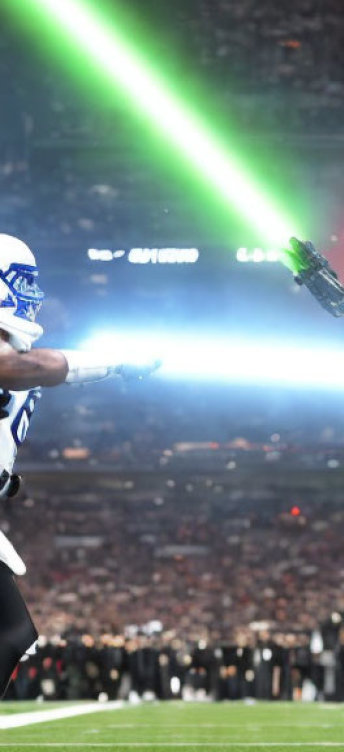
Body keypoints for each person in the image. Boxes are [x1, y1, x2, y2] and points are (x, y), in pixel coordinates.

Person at [0, 234, 159, 697]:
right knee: (11, 633)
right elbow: (21, 369)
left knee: (14, 635)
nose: (32, 294)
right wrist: (112, 361)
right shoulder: (14, 360)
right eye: (23, 282)